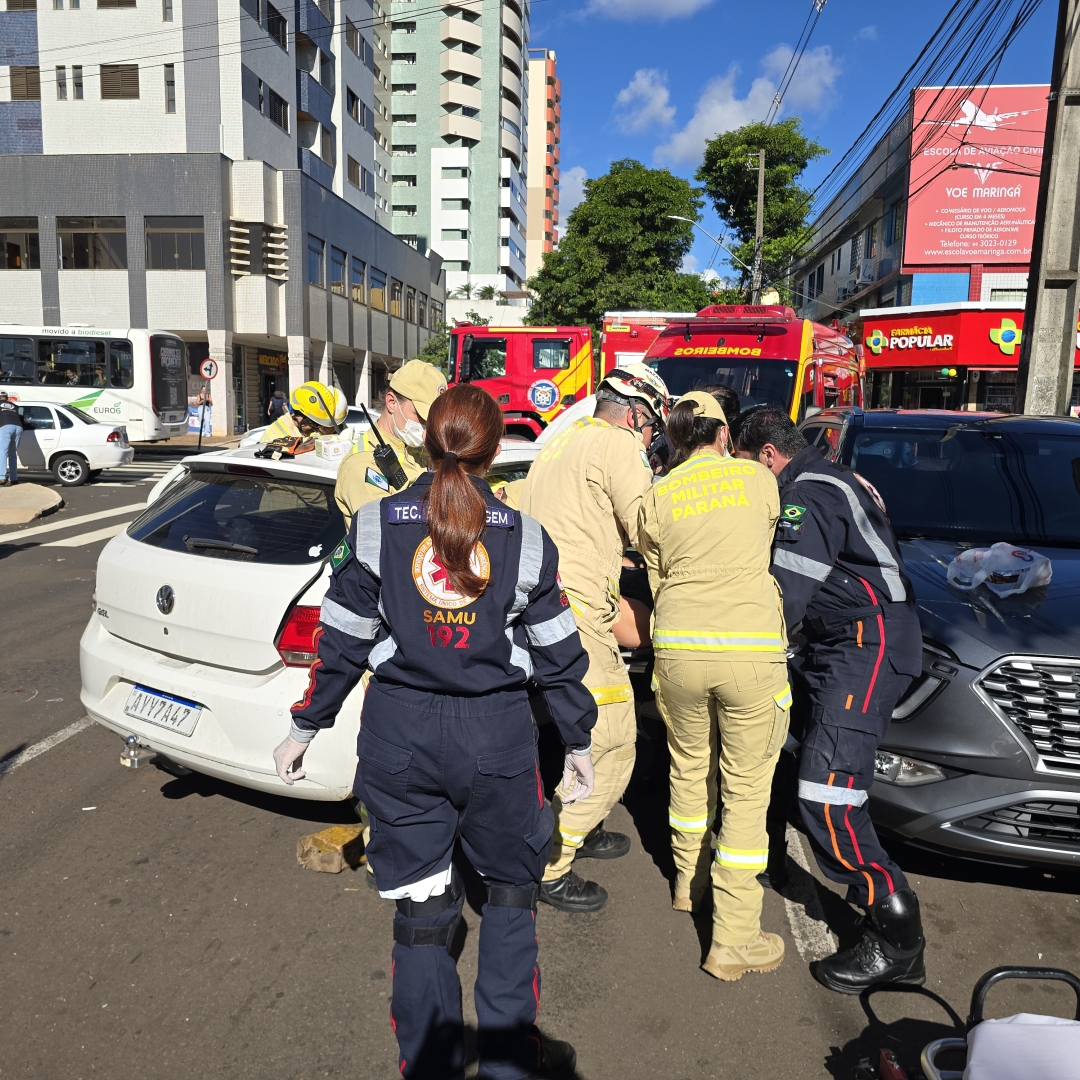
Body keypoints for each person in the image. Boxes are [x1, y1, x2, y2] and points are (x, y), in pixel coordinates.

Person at [272, 384, 595, 1080]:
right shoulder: (527, 538)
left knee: (421, 914)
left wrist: (306, 726)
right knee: (510, 896)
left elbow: (343, 644)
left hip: (400, 736)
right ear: (497, 449)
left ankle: (430, 1067)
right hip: (499, 739)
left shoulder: (371, 525)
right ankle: (511, 1066)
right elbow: (560, 655)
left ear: (425, 441)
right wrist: (578, 739)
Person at [735, 407, 925, 994]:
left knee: (828, 791)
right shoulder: (834, 475)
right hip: (846, 639)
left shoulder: (806, 495)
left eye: (745, 466)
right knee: (807, 763)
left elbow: (784, 594)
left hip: (863, 642)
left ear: (768, 455)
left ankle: (896, 935)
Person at [637, 391, 791, 983]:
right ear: (724, 435)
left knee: (688, 765)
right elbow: (767, 543)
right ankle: (734, 937)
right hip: (749, 649)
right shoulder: (756, 481)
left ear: (673, 437)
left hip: (678, 647)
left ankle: (687, 882)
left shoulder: (659, 493)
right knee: (747, 791)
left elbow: (656, 572)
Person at [518, 363, 670, 912]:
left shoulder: (561, 443)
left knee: (575, 732)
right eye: (652, 429)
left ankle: (586, 825)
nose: (651, 441)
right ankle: (552, 861)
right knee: (612, 739)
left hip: (542, 608)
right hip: (579, 613)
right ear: (635, 414)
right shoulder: (618, 445)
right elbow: (650, 530)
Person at [335, 359, 447, 516]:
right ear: (391, 402)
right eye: (422, 416)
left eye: (434, 419)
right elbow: (386, 532)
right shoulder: (362, 465)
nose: (428, 426)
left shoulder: (418, 448)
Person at [259, 380, 347, 442]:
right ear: (297, 415)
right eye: (316, 424)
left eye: (335, 425)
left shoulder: (308, 427)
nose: (328, 429)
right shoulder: (279, 437)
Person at [0, 391, 24, 486]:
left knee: (2, 452)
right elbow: (21, 417)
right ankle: (13, 479)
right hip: (18, 427)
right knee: (12, 454)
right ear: (7, 398)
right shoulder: (14, 405)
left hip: (5, 427)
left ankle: (1, 477)